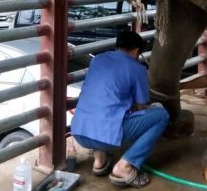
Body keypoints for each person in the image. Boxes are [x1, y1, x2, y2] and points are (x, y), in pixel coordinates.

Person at [71, 31, 169, 188]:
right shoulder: (136, 68)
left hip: (79, 131)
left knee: (105, 110)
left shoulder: (97, 59)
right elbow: (140, 107)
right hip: (104, 135)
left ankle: (99, 161)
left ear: (117, 46)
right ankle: (124, 166)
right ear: (136, 51)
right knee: (161, 115)